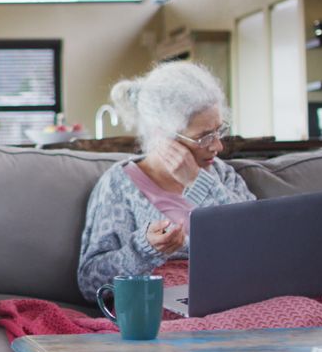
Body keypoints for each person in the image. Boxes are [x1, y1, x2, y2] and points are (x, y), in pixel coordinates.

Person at [77, 61, 255, 302]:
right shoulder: (118, 186)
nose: (218, 146)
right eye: (203, 137)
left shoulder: (221, 175)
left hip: (235, 294)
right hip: (161, 302)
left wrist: (197, 182)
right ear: (162, 134)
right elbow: (90, 283)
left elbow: (255, 244)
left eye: (218, 130)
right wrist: (145, 250)